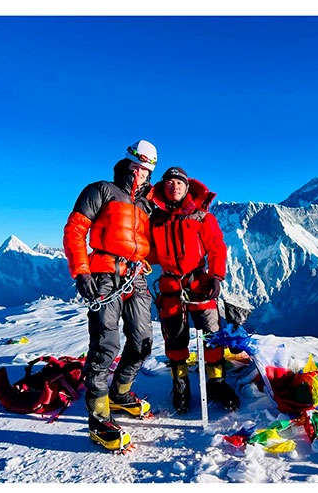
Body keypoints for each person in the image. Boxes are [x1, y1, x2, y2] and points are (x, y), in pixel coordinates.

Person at [63, 141, 161, 451]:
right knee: (105, 345)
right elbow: (76, 229)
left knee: (142, 342)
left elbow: (163, 239)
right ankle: (99, 418)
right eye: (139, 168)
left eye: (147, 171)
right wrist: (81, 271)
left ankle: (119, 394)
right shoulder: (101, 190)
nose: (141, 175)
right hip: (105, 273)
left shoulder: (148, 205)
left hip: (137, 276)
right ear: (128, 164)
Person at [145, 166, 237, 414]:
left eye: (179, 183)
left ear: (187, 188)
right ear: (163, 188)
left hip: (199, 283)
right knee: (174, 336)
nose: (174, 186)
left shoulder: (201, 217)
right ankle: (180, 383)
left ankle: (216, 381)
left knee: (211, 333)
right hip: (170, 285)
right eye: (170, 183)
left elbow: (216, 247)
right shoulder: (156, 220)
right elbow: (149, 250)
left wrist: (216, 276)